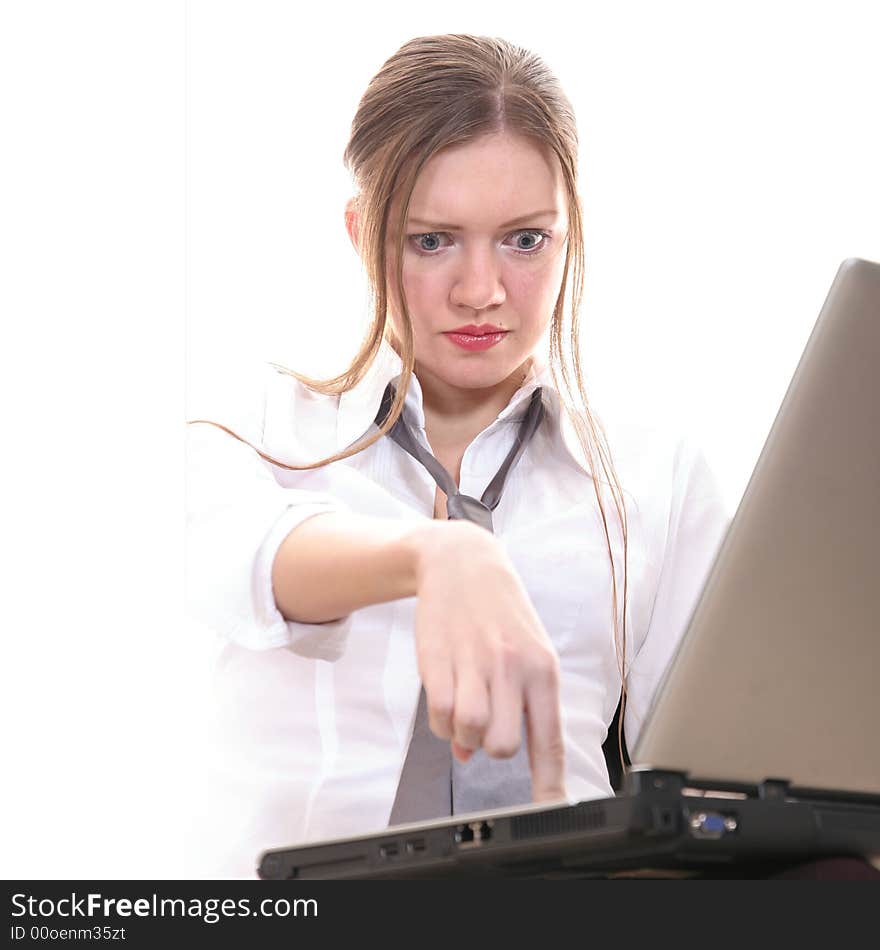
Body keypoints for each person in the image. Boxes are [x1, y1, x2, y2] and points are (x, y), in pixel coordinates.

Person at [184, 33, 731, 878]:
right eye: (432, 241)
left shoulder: (655, 475)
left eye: (525, 240)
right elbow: (252, 562)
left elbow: (713, 777)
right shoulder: (257, 425)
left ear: (569, 232)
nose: (482, 290)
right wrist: (438, 556)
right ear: (363, 231)